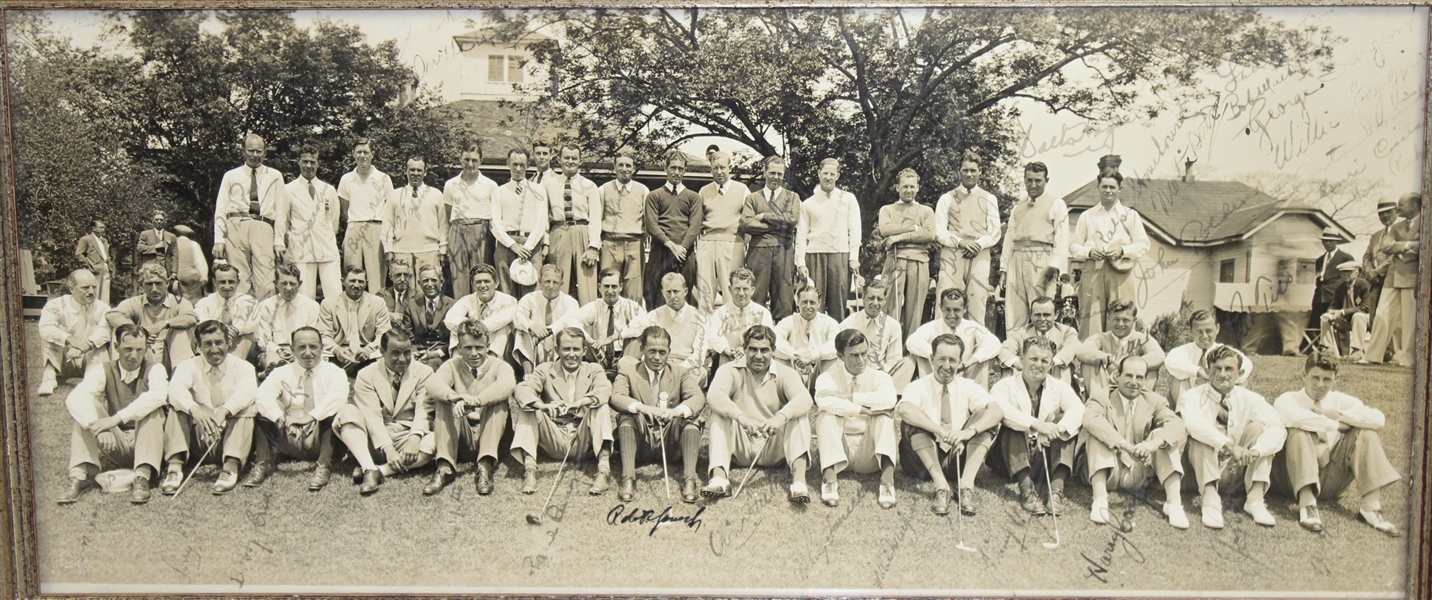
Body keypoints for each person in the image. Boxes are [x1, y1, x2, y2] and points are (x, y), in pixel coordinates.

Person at [1272, 353, 1401, 536]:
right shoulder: (1288, 399)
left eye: (1327, 379)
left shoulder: (1342, 401)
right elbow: (1295, 418)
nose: (1320, 384)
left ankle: (1371, 508)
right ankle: (1308, 505)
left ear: (1336, 379)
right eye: (1315, 377)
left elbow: (1378, 419)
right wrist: (1336, 424)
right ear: (1303, 375)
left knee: (1365, 433)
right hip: (1291, 479)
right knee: (1298, 430)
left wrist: (1336, 414)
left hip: (1329, 478)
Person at [1177, 344, 1286, 529]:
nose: (1222, 374)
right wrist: (1229, 446)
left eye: (1229, 369)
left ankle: (1255, 499)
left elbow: (1278, 427)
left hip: (1237, 469)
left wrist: (1256, 452)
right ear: (1207, 371)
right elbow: (1195, 424)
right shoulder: (1191, 396)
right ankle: (1210, 498)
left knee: (1259, 428)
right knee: (1201, 434)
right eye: (1216, 369)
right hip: (1200, 471)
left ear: (1239, 372)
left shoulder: (1251, 398)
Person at [702, 325, 814, 503]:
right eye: (753, 349)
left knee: (798, 416)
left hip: (773, 444)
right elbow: (714, 396)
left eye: (764, 350)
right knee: (719, 415)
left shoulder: (786, 373)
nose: (758, 356)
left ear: (774, 351)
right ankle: (719, 478)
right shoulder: (728, 370)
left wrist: (780, 418)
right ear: (744, 349)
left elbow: (804, 399)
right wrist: (742, 418)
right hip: (741, 444)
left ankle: (799, 482)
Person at [58, 324, 168, 504]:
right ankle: (80, 477)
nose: (134, 355)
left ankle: (142, 476)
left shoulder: (155, 369)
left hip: (150, 442)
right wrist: (98, 427)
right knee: (85, 411)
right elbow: (75, 397)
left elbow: (158, 396)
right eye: (128, 349)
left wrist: (114, 420)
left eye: (140, 350)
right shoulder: (105, 369)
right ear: (116, 347)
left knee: (152, 408)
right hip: (118, 441)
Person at [896, 334, 1003, 516]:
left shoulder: (968, 386)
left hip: (957, 459)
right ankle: (940, 487)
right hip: (921, 463)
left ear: (960, 362)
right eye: (942, 359)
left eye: (952, 360)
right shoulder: (918, 386)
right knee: (912, 421)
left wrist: (968, 432)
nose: (947, 366)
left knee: (986, 417)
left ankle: (966, 486)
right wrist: (940, 431)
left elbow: (997, 411)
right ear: (931, 359)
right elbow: (904, 410)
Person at [1083, 356, 1190, 529]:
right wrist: (1124, 445)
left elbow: (1177, 425)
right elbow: (1090, 420)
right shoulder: (1102, 396)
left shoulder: (1154, 400)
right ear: (1117, 375)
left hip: (1141, 470)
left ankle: (1174, 504)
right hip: (1110, 469)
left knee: (1162, 435)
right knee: (1099, 433)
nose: (1134, 382)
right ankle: (1100, 501)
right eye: (1129, 376)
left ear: (1145, 380)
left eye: (1139, 377)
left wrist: (1151, 445)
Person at [511, 328, 616, 495]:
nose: (571, 354)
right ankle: (530, 470)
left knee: (600, 406)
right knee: (529, 407)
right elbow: (522, 389)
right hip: (554, 437)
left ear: (584, 350)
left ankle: (604, 470)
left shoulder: (594, 369)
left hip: (583, 439)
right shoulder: (545, 369)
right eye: (566, 349)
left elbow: (605, 389)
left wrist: (578, 403)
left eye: (576, 349)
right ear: (557, 350)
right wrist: (542, 406)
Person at [333, 327, 436, 495]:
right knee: (346, 412)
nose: (402, 359)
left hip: (407, 438)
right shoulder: (366, 374)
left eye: (407, 353)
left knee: (434, 441)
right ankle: (368, 464)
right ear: (382, 352)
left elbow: (424, 410)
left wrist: (415, 438)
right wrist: (388, 449)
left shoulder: (425, 372)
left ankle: (377, 471)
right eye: (395, 353)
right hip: (375, 441)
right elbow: (371, 416)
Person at [610, 326, 707, 503]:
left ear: (669, 351)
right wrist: (643, 408)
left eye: (662, 352)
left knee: (692, 420)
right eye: (652, 351)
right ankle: (628, 478)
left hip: (670, 441)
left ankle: (689, 479)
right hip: (641, 440)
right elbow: (616, 397)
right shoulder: (629, 371)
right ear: (642, 349)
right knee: (626, 418)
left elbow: (697, 397)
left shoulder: (680, 372)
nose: (657, 358)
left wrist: (677, 411)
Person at [162, 319, 259, 495]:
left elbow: (248, 392)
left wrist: (224, 411)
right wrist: (194, 408)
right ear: (198, 346)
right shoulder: (188, 365)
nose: (214, 349)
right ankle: (174, 468)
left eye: (219, 342)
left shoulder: (243, 367)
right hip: (199, 438)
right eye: (207, 344)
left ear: (228, 343)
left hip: (229, 439)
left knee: (247, 407)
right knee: (178, 405)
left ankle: (230, 467)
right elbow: (174, 390)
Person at [990, 337, 1084, 515]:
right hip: (1007, 458)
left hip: (1044, 454)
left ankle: (1056, 491)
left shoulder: (1059, 386)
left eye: (1044, 361)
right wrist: (1037, 425)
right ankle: (1026, 490)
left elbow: (1078, 409)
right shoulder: (1004, 385)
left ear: (1051, 364)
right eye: (1033, 359)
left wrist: (1057, 429)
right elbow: (1001, 410)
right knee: (1014, 424)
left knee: (1066, 421)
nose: (1038, 365)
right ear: (1022, 358)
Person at [423, 321, 516, 496]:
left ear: (488, 346)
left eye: (479, 347)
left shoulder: (499, 365)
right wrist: (455, 397)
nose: (474, 353)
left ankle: (485, 465)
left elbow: (508, 385)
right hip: (462, 436)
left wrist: (477, 401)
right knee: (443, 400)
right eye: (468, 348)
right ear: (459, 347)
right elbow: (432, 384)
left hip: (491, 435)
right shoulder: (452, 364)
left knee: (498, 401)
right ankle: (445, 467)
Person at [249, 326, 348, 490]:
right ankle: (263, 463)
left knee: (333, 411)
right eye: (302, 347)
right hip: (289, 434)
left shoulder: (334, 372)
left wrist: (310, 417)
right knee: (263, 410)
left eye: (313, 347)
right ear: (293, 349)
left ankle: (323, 466)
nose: (308, 353)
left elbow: (338, 397)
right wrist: (280, 418)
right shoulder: (281, 372)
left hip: (320, 435)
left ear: (322, 348)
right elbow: (263, 395)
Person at [814, 329, 899, 508]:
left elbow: (889, 400)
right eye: (853, 355)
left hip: (869, 451)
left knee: (884, 417)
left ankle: (887, 481)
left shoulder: (879, 376)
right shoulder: (826, 378)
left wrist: (848, 396)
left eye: (864, 354)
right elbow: (823, 402)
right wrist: (863, 410)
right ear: (840, 356)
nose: (860, 360)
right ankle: (829, 480)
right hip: (840, 451)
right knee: (826, 415)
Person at [1069, 157, 1149, 337]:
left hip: (1120, 272)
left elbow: (1143, 244)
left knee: (1121, 316)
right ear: (1098, 188)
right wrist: (1088, 252)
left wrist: (1123, 250)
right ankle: (1090, 360)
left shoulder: (1130, 215)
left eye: (1112, 187)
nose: (1108, 191)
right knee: (1091, 319)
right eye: (1104, 186)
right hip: (1093, 270)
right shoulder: (1087, 216)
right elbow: (1074, 246)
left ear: (1119, 189)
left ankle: (1120, 361)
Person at [213, 133, 287, 300]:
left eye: (259, 151)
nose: (255, 155)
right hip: (235, 225)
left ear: (265, 152)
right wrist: (219, 239)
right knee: (239, 279)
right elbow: (221, 208)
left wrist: (279, 240)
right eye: (251, 151)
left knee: (266, 281)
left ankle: (266, 322)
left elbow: (281, 212)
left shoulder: (275, 176)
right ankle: (241, 322)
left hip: (263, 225)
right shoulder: (231, 176)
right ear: (244, 151)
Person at [999, 162, 1069, 332]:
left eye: (1038, 180)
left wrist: (1054, 266)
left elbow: (1062, 237)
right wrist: (1003, 269)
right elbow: (1009, 239)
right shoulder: (1018, 208)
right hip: (1017, 257)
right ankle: (1016, 352)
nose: (1033, 185)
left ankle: (1041, 351)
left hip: (1041, 259)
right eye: (1029, 180)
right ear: (1024, 180)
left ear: (1046, 180)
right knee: (1014, 310)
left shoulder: (1056, 204)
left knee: (1040, 310)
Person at [934, 154, 1001, 327]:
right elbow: (939, 230)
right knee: (947, 298)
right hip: (953, 253)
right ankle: (942, 343)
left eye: (973, 170)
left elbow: (995, 232)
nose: (969, 174)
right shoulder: (946, 198)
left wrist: (978, 244)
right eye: (965, 170)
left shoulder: (989, 198)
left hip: (979, 254)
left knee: (977, 301)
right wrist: (959, 242)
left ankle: (974, 347)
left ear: (980, 172)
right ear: (959, 172)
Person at [796, 158, 863, 320]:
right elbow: (801, 234)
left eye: (832, 174)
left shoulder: (848, 199)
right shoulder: (807, 204)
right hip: (815, 256)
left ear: (837, 176)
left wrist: (853, 257)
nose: (828, 177)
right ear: (819, 174)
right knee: (813, 303)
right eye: (825, 173)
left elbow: (855, 230)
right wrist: (800, 262)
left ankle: (837, 342)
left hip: (840, 256)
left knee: (838, 306)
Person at [896, 289, 1001, 392]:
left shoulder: (972, 327)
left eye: (956, 310)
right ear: (940, 307)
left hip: (965, 378)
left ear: (965, 308)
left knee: (983, 358)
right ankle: (899, 395)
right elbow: (912, 341)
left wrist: (968, 362)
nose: (951, 315)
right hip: (936, 376)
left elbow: (994, 343)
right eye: (947, 309)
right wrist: (937, 357)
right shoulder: (932, 326)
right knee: (915, 355)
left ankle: (977, 397)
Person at [877, 168, 937, 340]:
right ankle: (888, 347)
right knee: (889, 308)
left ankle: (910, 351)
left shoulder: (926, 211)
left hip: (919, 262)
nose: (909, 190)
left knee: (915, 310)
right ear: (897, 187)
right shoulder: (887, 210)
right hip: (895, 260)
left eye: (912, 187)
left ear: (918, 188)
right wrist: (913, 227)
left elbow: (929, 234)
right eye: (905, 187)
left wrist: (900, 236)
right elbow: (885, 228)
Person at [741, 156, 803, 321]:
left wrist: (764, 216)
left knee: (784, 299)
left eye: (779, 173)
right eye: (772, 172)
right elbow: (746, 224)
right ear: (764, 172)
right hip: (758, 251)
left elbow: (792, 220)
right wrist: (777, 226)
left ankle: (782, 341)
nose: (776, 177)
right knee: (756, 296)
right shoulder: (753, 198)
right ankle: (755, 338)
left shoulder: (792, 197)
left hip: (783, 250)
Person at [1362, 192, 1420, 366]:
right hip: (1392, 277)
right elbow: (1385, 246)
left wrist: (1399, 248)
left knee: (1410, 319)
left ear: (1415, 206)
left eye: (1401, 205)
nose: (1398, 208)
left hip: (1412, 277)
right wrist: (1409, 246)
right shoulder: (1396, 227)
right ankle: (1373, 355)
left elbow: (1423, 247)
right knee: (1381, 315)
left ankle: (1408, 358)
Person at [107, 263, 198, 372]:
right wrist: (138, 332)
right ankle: (121, 376)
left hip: (169, 355)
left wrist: (163, 323)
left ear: (167, 283)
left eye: (158, 283)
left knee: (180, 331)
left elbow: (191, 318)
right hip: (142, 354)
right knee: (121, 330)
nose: (154, 289)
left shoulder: (179, 302)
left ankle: (180, 377)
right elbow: (112, 315)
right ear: (142, 286)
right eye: (149, 284)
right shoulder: (136, 302)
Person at [542, 144, 603, 305]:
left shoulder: (589, 186)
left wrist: (593, 246)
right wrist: (546, 242)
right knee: (558, 282)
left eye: (574, 158)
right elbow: (543, 217)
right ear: (559, 160)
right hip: (559, 231)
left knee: (586, 286)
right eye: (566, 158)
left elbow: (596, 217)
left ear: (580, 161)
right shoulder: (549, 184)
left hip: (582, 232)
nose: (570, 161)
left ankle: (587, 327)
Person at [1071, 300, 1166, 403]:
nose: (1120, 324)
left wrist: (1126, 367)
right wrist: (1110, 359)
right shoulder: (1101, 338)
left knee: (1151, 370)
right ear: (1108, 319)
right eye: (1116, 319)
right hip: (1106, 387)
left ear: (1134, 321)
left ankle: (1140, 408)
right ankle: (1099, 406)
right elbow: (1082, 351)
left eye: (1125, 320)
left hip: (1133, 387)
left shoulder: (1142, 339)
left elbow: (1158, 355)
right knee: (1089, 364)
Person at [282, 144, 343, 301]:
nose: (309, 165)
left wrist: (324, 234)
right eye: (305, 161)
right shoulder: (288, 190)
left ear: (318, 163)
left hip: (326, 247)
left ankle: (335, 326)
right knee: (304, 297)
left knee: (334, 295)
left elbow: (334, 221)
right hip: (301, 251)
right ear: (299, 162)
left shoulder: (328, 190)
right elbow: (284, 221)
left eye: (312, 162)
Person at [37, 269, 112, 397]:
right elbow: (45, 328)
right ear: (72, 288)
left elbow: (105, 330)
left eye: (94, 287)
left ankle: (92, 381)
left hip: (88, 359)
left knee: (101, 344)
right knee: (52, 336)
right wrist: (73, 340)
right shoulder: (56, 305)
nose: (91, 292)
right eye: (85, 288)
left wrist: (85, 345)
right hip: (63, 359)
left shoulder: (103, 307)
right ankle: (49, 378)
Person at [621, 272, 708, 380]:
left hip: (685, 368)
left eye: (676, 291)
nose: (672, 296)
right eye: (668, 292)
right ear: (663, 293)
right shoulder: (654, 315)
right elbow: (636, 332)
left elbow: (698, 357)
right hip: (658, 365)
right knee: (625, 362)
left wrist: (676, 371)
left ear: (685, 291)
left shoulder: (699, 317)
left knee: (700, 372)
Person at [556, 269, 645, 374]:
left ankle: (625, 372)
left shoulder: (630, 305)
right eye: (606, 286)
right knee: (578, 334)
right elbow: (569, 319)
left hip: (624, 355)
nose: (610, 291)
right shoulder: (594, 306)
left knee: (638, 337)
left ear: (620, 287)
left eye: (614, 286)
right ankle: (599, 371)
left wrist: (612, 338)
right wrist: (589, 339)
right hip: (599, 356)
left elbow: (644, 323)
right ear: (599, 287)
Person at [644, 150, 703, 309]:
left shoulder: (693, 197)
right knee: (658, 293)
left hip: (685, 253)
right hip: (661, 251)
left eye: (680, 168)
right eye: (673, 168)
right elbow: (651, 225)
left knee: (685, 294)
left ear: (685, 170)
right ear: (666, 168)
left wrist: (682, 247)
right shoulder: (654, 196)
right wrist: (670, 245)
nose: (677, 172)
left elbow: (695, 225)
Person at [492, 149, 551, 297]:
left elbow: (541, 221)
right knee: (506, 292)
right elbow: (494, 223)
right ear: (508, 164)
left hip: (530, 245)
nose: (518, 169)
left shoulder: (538, 190)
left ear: (528, 165)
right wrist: (513, 245)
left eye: (522, 165)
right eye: (514, 164)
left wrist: (528, 247)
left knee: (531, 293)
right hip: (506, 245)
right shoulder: (498, 192)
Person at [696, 151, 750, 312]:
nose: (719, 171)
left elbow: (748, 220)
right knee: (705, 291)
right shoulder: (704, 191)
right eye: (715, 168)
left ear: (730, 168)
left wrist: (743, 240)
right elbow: (698, 220)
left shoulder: (742, 190)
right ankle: (704, 332)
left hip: (732, 243)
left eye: (722, 167)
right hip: (707, 243)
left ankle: (731, 332)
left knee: (731, 289)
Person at [339, 138, 394, 294]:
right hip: (354, 227)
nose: (362, 156)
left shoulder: (384, 178)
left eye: (366, 152)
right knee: (352, 275)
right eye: (358, 152)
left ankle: (377, 315)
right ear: (353, 154)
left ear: (372, 155)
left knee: (376, 279)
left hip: (376, 227)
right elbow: (345, 210)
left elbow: (390, 210)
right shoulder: (346, 179)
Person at [445, 143, 500, 300]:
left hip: (481, 230)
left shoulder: (490, 185)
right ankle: (462, 317)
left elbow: (495, 217)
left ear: (481, 161)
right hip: (457, 229)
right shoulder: (450, 185)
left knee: (481, 274)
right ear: (460, 159)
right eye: (466, 159)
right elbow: (448, 216)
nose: (470, 164)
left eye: (474, 160)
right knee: (459, 277)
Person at [318, 266, 392, 376]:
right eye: (352, 281)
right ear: (343, 282)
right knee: (322, 356)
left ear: (366, 283)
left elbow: (384, 334)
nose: (356, 285)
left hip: (368, 351)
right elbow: (324, 335)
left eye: (360, 281)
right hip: (339, 351)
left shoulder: (377, 303)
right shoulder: (329, 303)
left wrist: (368, 350)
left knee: (383, 355)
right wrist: (337, 349)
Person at [1164, 310, 1252, 402]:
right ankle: (1182, 413)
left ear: (1217, 329)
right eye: (1199, 332)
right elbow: (1171, 362)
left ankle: (1230, 413)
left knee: (1240, 380)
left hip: (1218, 398)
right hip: (1189, 399)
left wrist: (1215, 379)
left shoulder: (1224, 351)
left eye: (1209, 331)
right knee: (1176, 377)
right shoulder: (1183, 351)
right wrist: (1198, 372)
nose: (1204, 336)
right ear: (1191, 331)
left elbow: (1246, 366)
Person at [445, 263, 520, 369]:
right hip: (473, 344)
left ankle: (491, 368)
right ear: (473, 284)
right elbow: (450, 319)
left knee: (500, 329)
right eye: (478, 282)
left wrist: (472, 327)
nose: (483, 285)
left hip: (501, 349)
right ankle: (457, 367)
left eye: (487, 281)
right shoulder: (467, 300)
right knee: (456, 329)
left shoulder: (508, 301)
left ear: (496, 283)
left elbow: (496, 322)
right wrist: (469, 327)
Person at [250, 263, 323, 371]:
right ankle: (277, 370)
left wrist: (296, 350)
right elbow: (263, 339)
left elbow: (313, 336)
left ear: (300, 284)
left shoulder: (312, 306)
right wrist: (278, 350)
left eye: (292, 284)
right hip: (274, 351)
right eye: (284, 283)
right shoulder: (266, 306)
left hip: (302, 350)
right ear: (276, 284)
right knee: (272, 361)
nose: (288, 288)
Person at [598, 150, 649, 302]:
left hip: (634, 243)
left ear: (633, 168)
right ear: (614, 167)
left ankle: (633, 323)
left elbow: (647, 220)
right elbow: (597, 218)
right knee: (609, 285)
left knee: (633, 289)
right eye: (620, 165)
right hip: (610, 243)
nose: (624, 168)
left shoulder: (643, 190)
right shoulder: (604, 190)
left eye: (628, 165)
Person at [383, 157, 448, 276]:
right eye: (412, 170)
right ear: (406, 171)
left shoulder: (436, 194)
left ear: (425, 172)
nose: (415, 174)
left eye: (419, 170)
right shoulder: (394, 195)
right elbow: (387, 225)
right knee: (404, 291)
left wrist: (443, 250)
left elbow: (443, 225)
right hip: (402, 252)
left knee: (429, 289)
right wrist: (388, 249)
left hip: (429, 252)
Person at [514, 264, 581, 375]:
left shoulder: (569, 301)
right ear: (540, 282)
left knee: (568, 331)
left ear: (561, 284)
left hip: (557, 345)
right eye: (547, 281)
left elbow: (568, 318)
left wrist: (548, 331)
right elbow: (518, 316)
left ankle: (558, 374)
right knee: (520, 332)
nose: (551, 286)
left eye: (555, 282)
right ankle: (528, 374)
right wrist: (532, 326)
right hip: (534, 344)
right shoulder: (529, 298)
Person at [997, 296, 1080, 383]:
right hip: (1027, 377)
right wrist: (1018, 363)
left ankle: (1058, 394)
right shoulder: (1021, 332)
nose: (1042, 319)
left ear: (1056, 315)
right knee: (1010, 364)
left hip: (1055, 377)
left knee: (1061, 365)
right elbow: (1005, 349)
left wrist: (1049, 362)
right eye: (1037, 315)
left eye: (1046, 315)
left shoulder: (1066, 332)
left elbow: (1072, 347)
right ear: (1031, 315)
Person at [707, 268, 774, 370]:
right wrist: (727, 350)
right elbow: (712, 336)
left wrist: (748, 351)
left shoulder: (763, 313)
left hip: (755, 358)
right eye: (737, 289)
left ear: (752, 290)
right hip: (728, 358)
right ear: (730, 289)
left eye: (745, 289)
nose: (741, 293)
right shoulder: (721, 313)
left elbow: (769, 339)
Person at [774, 286, 840, 388]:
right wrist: (795, 356)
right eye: (804, 302)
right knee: (780, 358)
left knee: (833, 359)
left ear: (819, 303)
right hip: (795, 368)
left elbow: (835, 345)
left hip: (819, 369)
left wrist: (811, 355)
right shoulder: (788, 321)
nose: (808, 306)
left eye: (812, 302)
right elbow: (775, 340)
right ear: (797, 302)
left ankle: (825, 392)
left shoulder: (829, 322)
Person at [1358, 199, 1399, 358]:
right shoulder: (1376, 236)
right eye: (1381, 213)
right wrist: (1369, 271)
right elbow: (1367, 256)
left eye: (1389, 212)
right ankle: (1382, 352)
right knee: (1375, 317)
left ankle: (1392, 352)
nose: (1385, 216)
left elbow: (1395, 256)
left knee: (1390, 317)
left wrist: (1378, 272)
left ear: (1396, 211)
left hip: (1392, 280)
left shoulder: (1401, 231)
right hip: (1375, 282)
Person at [193, 263, 259, 360]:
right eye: (222, 282)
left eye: (231, 282)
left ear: (238, 282)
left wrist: (236, 330)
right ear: (214, 283)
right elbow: (202, 323)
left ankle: (233, 366)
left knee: (247, 335)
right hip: (215, 343)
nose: (227, 287)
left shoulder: (248, 301)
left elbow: (253, 322)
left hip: (242, 346)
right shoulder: (205, 303)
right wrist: (223, 332)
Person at [839, 279, 903, 375]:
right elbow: (841, 356)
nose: (875, 303)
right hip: (854, 373)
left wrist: (880, 376)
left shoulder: (893, 326)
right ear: (863, 298)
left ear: (885, 300)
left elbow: (894, 359)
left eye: (880, 299)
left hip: (881, 375)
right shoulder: (848, 324)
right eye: (871, 298)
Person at [1318, 263, 1372, 360]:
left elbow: (1366, 307)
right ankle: (1328, 349)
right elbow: (1334, 305)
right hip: (1348, 320)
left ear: (1356, 273)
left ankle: (1357, 351)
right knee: (1325, 318)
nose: (1345, 275)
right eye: (1343, 272)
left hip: (1367, 318)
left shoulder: (1364, 285)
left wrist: (1342, 312)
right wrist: (1331, 312)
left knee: (1358, 316)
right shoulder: (1340, 287)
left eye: (1348, 272)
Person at [407, 264, 456, 370]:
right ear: (419, 284)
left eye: (433, 280)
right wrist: (413, 352)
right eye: (425, 280)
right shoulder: (412, 305)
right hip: (417, 354)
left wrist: (436, 353)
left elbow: (457, 339)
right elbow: (406, 335)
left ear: (441, 282)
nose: (429, 284)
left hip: (442, 355)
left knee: (427, 368)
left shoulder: (453, 305)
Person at [1310, 226, 1355, 335]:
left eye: (1330, 241)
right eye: (1325, 241)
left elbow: (1351, 279)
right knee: (1317, 325)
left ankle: (1337, 350)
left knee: (1336, 325)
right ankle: (1320, 350)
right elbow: (1319, 278)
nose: (1327, 243)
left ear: (1336, 241)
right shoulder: (1320, 260)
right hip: (1319, 298)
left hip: (1336, 297)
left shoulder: (1345, 257)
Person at [75, 220, 113, 304]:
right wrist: (89, 264)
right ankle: (92, 311)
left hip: (105, 267)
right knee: (94, 291)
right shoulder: (86, 239)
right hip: (93, 269)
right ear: (93, 228)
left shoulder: (104, 240)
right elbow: (79, 254)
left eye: (103, 228)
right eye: (100, 227)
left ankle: (103, 312)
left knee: (105, 293)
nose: (103, 230)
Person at [172, 225, 209, 304]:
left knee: (176, 300)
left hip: (176, 275)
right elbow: (199, 261)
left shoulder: (171, 245)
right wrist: (204, 276)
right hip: (190, 276)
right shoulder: (193, 244)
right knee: (194, 299)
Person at [134, 210, 175, 281]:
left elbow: (175, 255)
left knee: (163, 289)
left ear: (165, 221)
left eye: (161, 220)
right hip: (148, 268)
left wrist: (174, 272)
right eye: (156, 219)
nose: (159, 221)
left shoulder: (171, 236)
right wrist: (155, 247)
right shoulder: (145, 234)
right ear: (152, 221)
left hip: (165, 270)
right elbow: (140, 248)